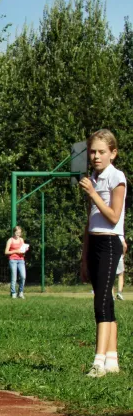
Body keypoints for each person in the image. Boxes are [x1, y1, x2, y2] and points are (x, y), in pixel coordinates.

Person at [79, 129, 126, 378]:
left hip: (109, 242)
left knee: (101, 302)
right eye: (93, 152)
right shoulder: (94, 177)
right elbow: (91, 221)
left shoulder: (116, 178)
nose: (96, 156)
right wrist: (84, 256)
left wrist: (94, 194)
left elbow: (114, 216)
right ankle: (111, 359)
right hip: (96, 243)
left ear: (113, 153)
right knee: (105, 299)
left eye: (101, 152)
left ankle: (98, 362)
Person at [4, 226, 27, 299]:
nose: (18, 234)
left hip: (21, 260)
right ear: (14, 232)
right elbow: (6, 252)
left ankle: (20, 292)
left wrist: (24, 251)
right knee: (14, 277)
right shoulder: (10, 240)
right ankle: (13, 293)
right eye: (17, 232)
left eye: (19, 233)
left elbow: (23, 251)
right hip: (13, 260)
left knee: (23, 276)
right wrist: (15, 251)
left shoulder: (21, 240)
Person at [116, 236, 127, 300]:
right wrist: (123, 254)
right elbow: (125, 246)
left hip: (109, 257)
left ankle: (111, 295)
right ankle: (119, 293)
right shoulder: (119, 234)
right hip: (119, 257)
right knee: (120, 275)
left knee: (111, 275)